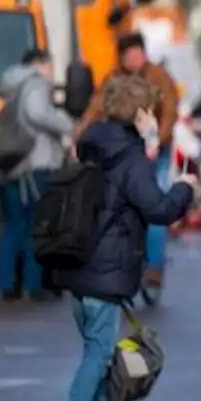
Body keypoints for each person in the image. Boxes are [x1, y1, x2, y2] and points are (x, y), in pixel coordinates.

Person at [47, 74, 197, 401]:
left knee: (97, 348)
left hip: (79, 261)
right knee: (98, 352)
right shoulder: (129, 159)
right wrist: (185, 189)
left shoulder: (93, 145)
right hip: (107, 265)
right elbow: (158, 209)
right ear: (141, 112)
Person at [75, 32, 180, 292]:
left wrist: (156, 143)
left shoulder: (159, 77)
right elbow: (96, 107)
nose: (134, 60)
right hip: (124, 147)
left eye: (138, 54)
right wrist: (79, 134)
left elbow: (170, 112)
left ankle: (154, 266)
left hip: (155, 147)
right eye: (129, 55)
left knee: (155, 203)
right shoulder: (113, 78)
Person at [0, 49, 75, 302]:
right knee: (36, 226)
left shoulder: (13, 85)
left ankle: (5, 283)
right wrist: (67, 126)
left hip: (12, 163)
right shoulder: (36, 83)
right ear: (40, 64)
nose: (52, 71)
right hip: (35, 163)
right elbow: (37, 113)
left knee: (14, 225)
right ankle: (32, 283)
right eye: (49, 64)